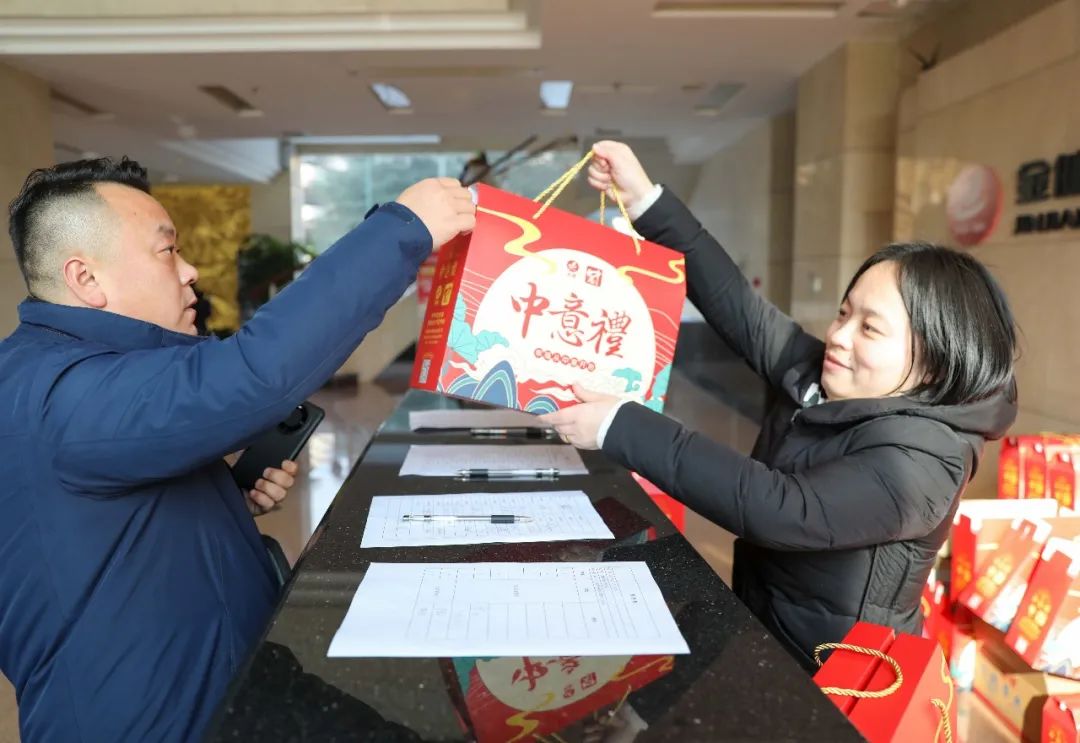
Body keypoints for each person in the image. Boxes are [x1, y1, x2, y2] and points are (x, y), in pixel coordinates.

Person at [0, 157, 474, 742]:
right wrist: (404, 229)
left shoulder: (74, 372)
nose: (190, 271)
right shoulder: (60, 394)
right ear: (86, 279)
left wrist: (220, 500)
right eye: (166, 251)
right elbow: (254, 373)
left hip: (233, 690)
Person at [541, 141, 1018, 671]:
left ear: (934, 362)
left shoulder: (926, 462)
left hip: (834, 678)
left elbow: (781, 507)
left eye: (870, 328)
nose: (838, 337)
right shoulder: (830, 378)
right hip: (763, 635)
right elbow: (740, 307)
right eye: (844, 313)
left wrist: (619, 425)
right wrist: (645, 202)